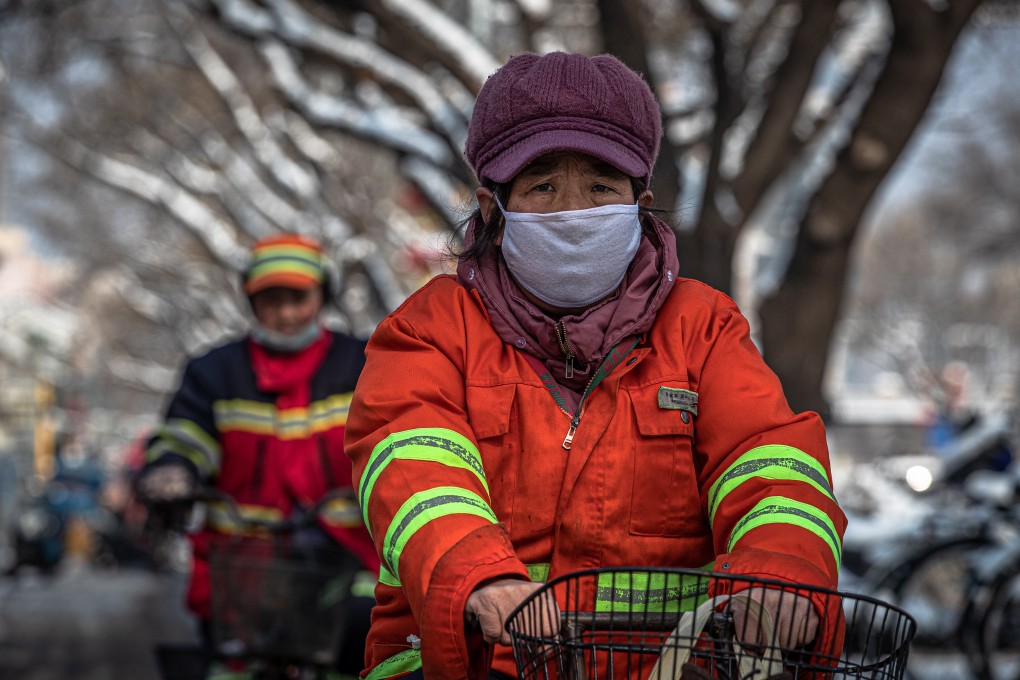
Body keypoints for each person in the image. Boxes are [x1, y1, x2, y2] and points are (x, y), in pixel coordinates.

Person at [343, 52, 847, 680]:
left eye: (602, 186)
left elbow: (770, 463)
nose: (571, 212)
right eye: (543, 185)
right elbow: (414, 460)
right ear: (494, 207)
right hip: (472, 662)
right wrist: (476, 575)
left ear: (641, 202)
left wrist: (779, 575)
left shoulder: (704, 328)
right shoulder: (431, 328)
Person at [137, 233, 379, 680]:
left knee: (362, 648)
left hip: (348, 564)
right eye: (271, 299)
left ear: (322, 296)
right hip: (241, 569)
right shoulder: (213, 372)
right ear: (250, 301)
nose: (286, 313)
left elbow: (398, 439)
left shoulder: (363, 363)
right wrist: (170, 472)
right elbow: (184, 438)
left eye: (298, 297)